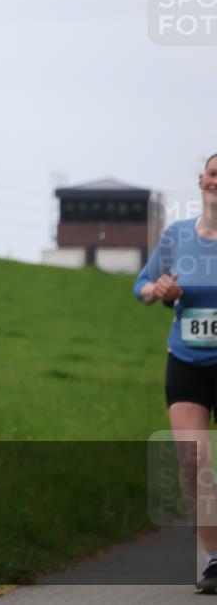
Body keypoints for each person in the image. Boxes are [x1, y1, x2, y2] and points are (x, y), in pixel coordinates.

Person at [135, 152, 217, 594]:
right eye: (212, 173)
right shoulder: (177, 236)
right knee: (193, 460)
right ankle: (214, 561)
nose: (216, 181)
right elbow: (142, 286)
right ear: (202, 179)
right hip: (187, 360)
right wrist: (157, 288)